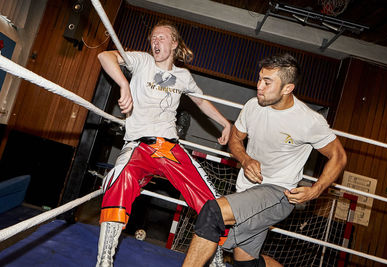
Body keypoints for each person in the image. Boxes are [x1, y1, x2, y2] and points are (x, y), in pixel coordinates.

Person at [182, 53, 347, 267]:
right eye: (260, 79)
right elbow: (235, 138)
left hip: (278, 193)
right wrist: (245, 159)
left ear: (287, 88)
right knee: (245, 262)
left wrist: (316, 190)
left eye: (267, 82)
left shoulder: (308, 121)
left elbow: (339, 156)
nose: (259, 86)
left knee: (213, 213)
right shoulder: (253, 106)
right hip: (247, 190)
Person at [95, 20, 231, 267]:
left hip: (169, 147)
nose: (155, 42)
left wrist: (225, 123)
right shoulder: (142, 61)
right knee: (119, 182)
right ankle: (104, 259)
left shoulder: (183, 76)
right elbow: (105, 56)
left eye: (161, 38)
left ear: (174, 43)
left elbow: (201, 102)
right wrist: (124, 84)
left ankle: (215, 257)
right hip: (139, 145)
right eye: (153, 38)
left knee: (211, 198)